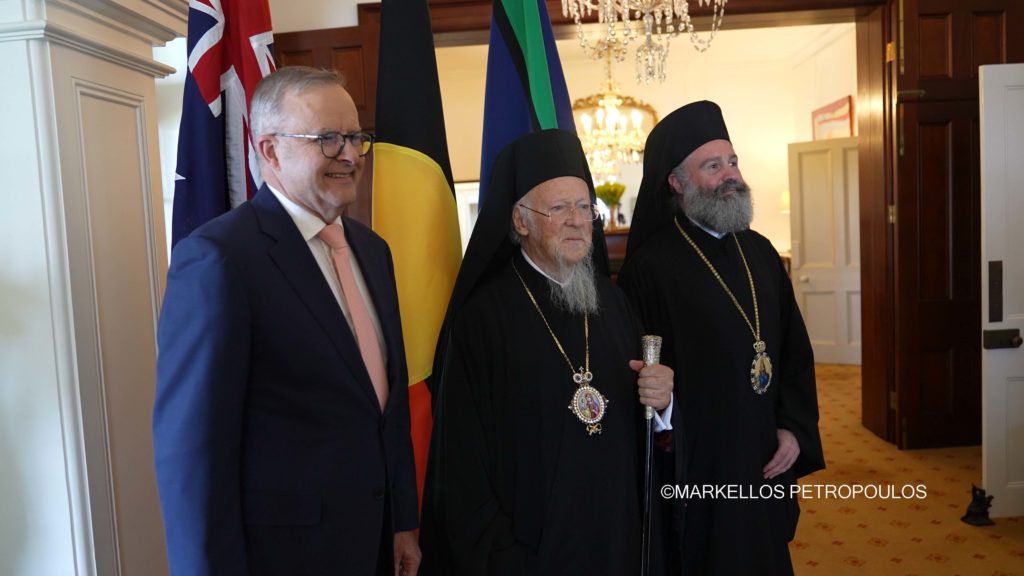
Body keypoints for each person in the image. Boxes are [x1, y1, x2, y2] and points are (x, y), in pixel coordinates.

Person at [153, 67, 420, 576]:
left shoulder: (372, 250)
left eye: (356, 137)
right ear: (270, 151)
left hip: (375, 545)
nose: (350, 154)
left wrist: (401, 520)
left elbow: (387, 405)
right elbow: (192, 456)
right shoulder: (219, 259)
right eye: (327, 139)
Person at [418, 129, 674, 576]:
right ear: (521, 220)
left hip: (617, 538)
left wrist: (664, 400)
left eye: (584, 206)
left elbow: (642, 423)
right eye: (559, 208)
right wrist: (501, 557)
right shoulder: (482, 319)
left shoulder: (612, 303)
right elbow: (460, 462)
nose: (579, 221)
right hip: (530, 550)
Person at [618, 100, 825, 576]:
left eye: (732, 161)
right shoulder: (649, 270)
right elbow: (638, 378)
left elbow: (794, 354)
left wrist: (793, 427)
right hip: (699, 468)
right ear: (677, 182)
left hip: (764, 456)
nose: (730, 174)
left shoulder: (761, 252)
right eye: (712, 166)